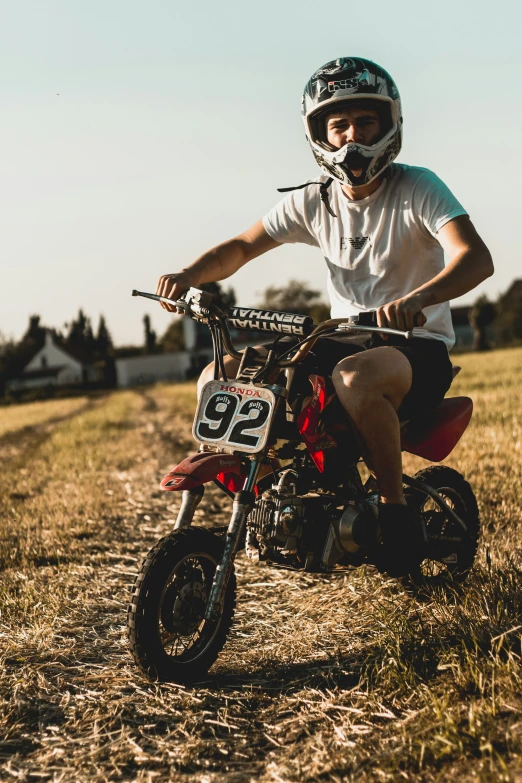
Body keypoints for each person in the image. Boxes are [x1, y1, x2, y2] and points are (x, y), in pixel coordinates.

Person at [156, 57, 493, 576]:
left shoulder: (418, 187)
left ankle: (396, 515)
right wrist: (189, 275)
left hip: (415, 346)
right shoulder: (316, 200)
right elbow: (242, 247)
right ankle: (274, 496)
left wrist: (420, 298)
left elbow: (474, 257)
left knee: (353, 376)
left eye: (365, 122)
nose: (352, 138)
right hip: (340, 339)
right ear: (320, 134)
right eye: (338, 125)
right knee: (219, 374)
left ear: (389, 124)